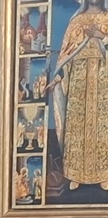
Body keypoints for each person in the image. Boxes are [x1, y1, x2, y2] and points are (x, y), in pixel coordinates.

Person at [49, 0, 108, 191]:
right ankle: (76, 174)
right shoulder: (77, 21)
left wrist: (102, 37)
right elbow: (66, 57)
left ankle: (104, 174)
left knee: (102, 126)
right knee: (77, 125)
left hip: (103, 80)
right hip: (78, 81)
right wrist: (57, 78)